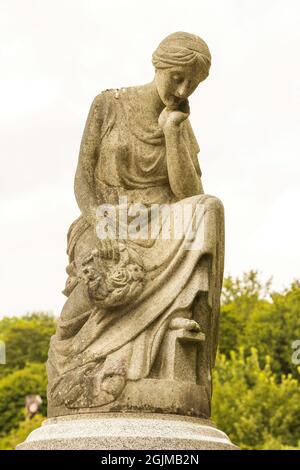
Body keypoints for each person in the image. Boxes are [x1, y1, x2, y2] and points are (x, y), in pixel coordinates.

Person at [47, 32, 224, 414]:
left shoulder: (178, 123)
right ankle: (73, 356)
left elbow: (189, 194)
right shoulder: (108, 104)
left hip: (160, 222)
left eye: (192, 84)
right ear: (158, 64)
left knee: (210, 208)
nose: (182, 89)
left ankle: (173, 318)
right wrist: (101, 225)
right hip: (106, 217)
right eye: (177, 77)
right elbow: (83, 181)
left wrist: (173, 131)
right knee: (98, 288)